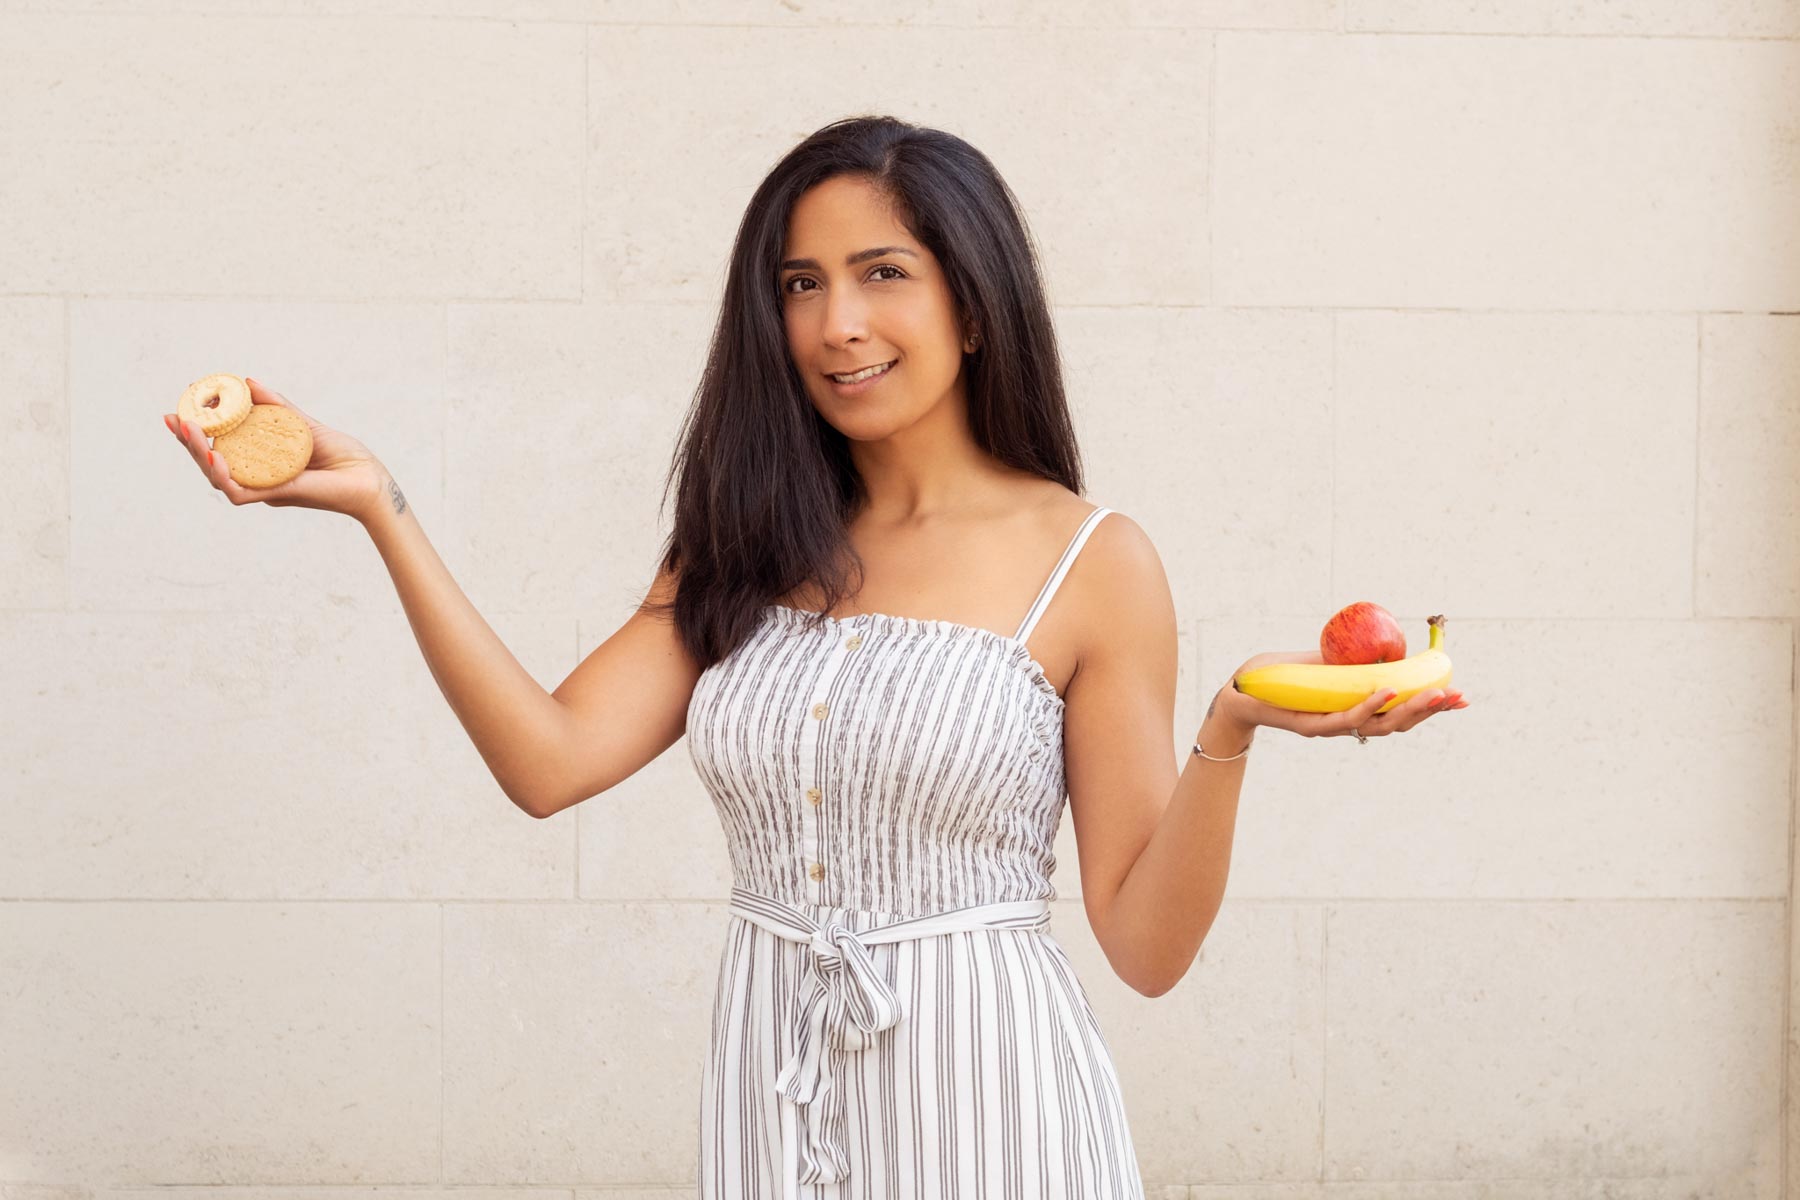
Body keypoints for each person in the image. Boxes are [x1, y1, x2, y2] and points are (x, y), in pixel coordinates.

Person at [164, 113, 1465, 1198]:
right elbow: (549, 762)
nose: (837, 322)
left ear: (975, 302)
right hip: (773, 1090)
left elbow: (1144, 947)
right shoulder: (743, 541)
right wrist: (386, 509)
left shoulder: (1092, 561)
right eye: (801, 283)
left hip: (991, 1108)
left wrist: (1230, 726)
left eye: (884, 272)